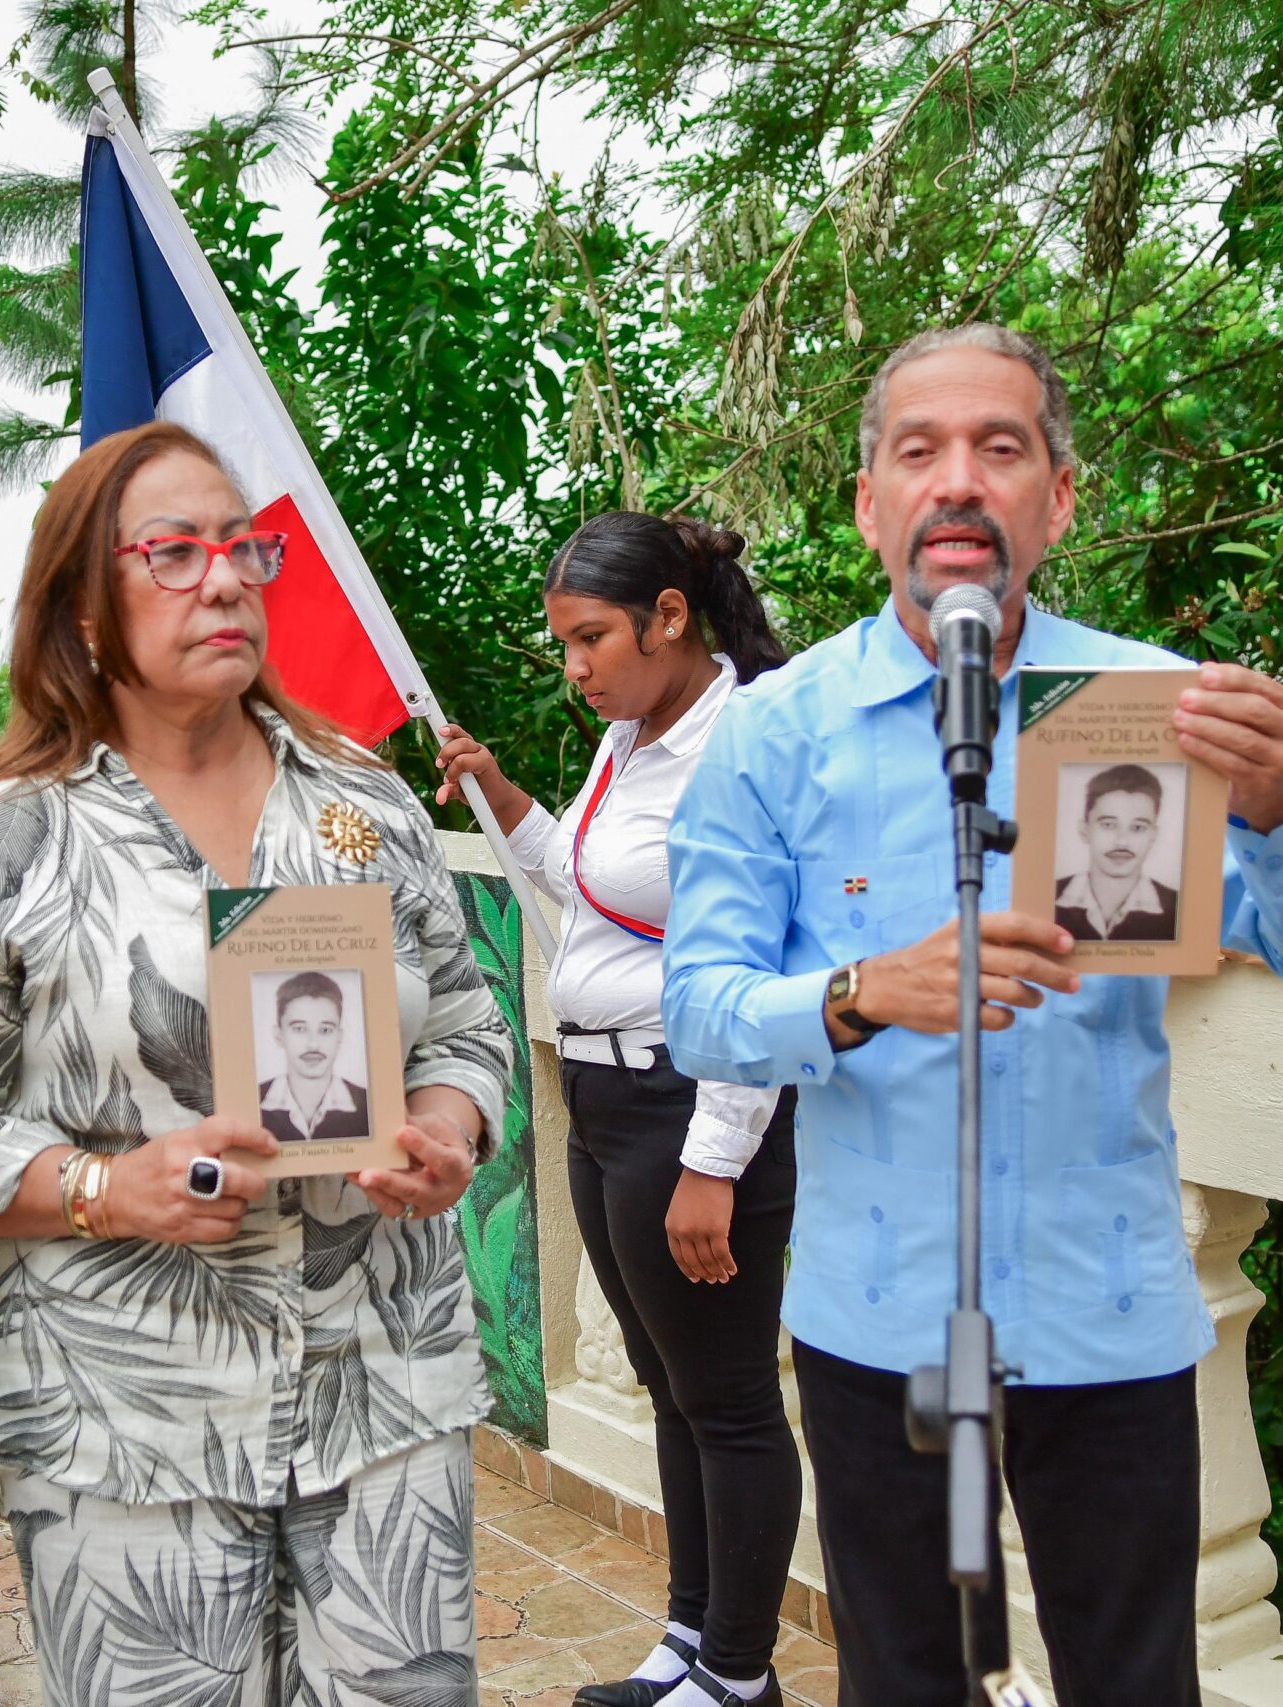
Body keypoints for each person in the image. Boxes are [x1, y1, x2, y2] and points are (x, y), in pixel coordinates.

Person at [660, 323, 1283, 1707]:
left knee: (1134, 1677)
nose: (959, 481)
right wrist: (865, 990)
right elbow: (698, 1011)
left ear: (1057, 497)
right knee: (907, 1677)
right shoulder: (778, 729)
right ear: (868, 500)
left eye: (1002, 448)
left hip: (1104, 1305)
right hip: (880, 1319)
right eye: (918, 451)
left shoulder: (1150, 706)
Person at [0, 420, 511, 1704]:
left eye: (242, 547)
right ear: (83, 606)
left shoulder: (365, 803)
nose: (224, 579)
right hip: (120, 1420)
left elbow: (464, 1022)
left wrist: (447, 1127)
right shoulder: (2, 845)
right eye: (173, 552)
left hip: (381, 1389)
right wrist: (104, 1190)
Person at [434, 510, 799, 1707]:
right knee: (670, 1389)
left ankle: (741, 1674)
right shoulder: (638, 738)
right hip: (603, 1101)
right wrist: (497, 789)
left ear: (672, 617)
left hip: (688, 1101)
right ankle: (692, 1640)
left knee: (730, 1400)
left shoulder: (745, 740)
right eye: (564, 646)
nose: (576, 668)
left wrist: (715, 1160)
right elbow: (587, 884)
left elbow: (764, 961)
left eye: (592, 638)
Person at [1054, 763, 1180, 942]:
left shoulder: (1180, 909)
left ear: (1153, 835)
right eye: (1108, 824)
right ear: (1084, 830)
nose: (1122, 841)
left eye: (1138, 827)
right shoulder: (1044, 898)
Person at [258, 970, 373, 1143]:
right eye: (299, 1029)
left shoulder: (370, 1106)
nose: (313, 1044)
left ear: (339, 1036)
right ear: (278, 1035)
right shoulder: (251, 1101)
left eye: (325, 1029)